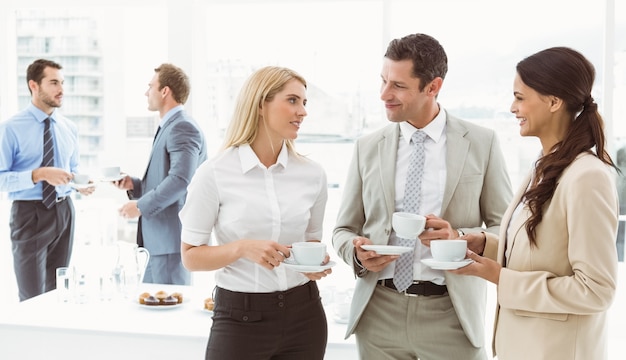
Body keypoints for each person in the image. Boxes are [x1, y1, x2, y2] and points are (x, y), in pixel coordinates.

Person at [332, 33, 513, 359]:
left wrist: (460, 237)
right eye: (383, 80)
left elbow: (507, 231)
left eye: (398, 86)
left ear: (433, 87)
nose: (384, 94)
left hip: (452, 315)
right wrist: (357, 254)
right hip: (378, 315)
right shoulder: (367, 148)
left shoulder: (482, 143)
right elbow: (343, 230)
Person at [453, 47, 619, 360]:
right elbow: (545, 252)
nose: (512, 108)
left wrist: (499, 277)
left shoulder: (587, 177)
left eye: (520, 97)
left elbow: (597, 290)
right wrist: (485, 246)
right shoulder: (544, 167)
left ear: (554, 102)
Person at [179, 66, 331, 360]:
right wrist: (241, 248)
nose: (302, 112)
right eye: (292, 100)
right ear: (261, 104)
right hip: (240, 320)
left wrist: (314, 262)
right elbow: (190, 257)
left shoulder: (313, 174)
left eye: (304, 102)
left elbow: (312, 241)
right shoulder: (214, 174)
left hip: (306, 316)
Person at [0, 58, 94, 301]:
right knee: (32, 296)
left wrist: (80, 185)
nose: (61, 90)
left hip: (64, 211)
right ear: (34, 85)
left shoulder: (69, 128)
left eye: (62, 83)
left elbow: (72, 170)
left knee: (58, 292)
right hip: (29, 214)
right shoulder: (10, 128)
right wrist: (38, 174)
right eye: (53, 83)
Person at [115, 63, 207, 285]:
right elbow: (168, 176)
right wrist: (134, 185)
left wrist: (139, 206)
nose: (146, 93)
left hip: (169, 242)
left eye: (150, 86)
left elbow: (180, 180)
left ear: (165, 91)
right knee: (153, 310)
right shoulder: (171, 126)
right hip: (158, 243)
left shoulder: (182, 127)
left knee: (169, 311)